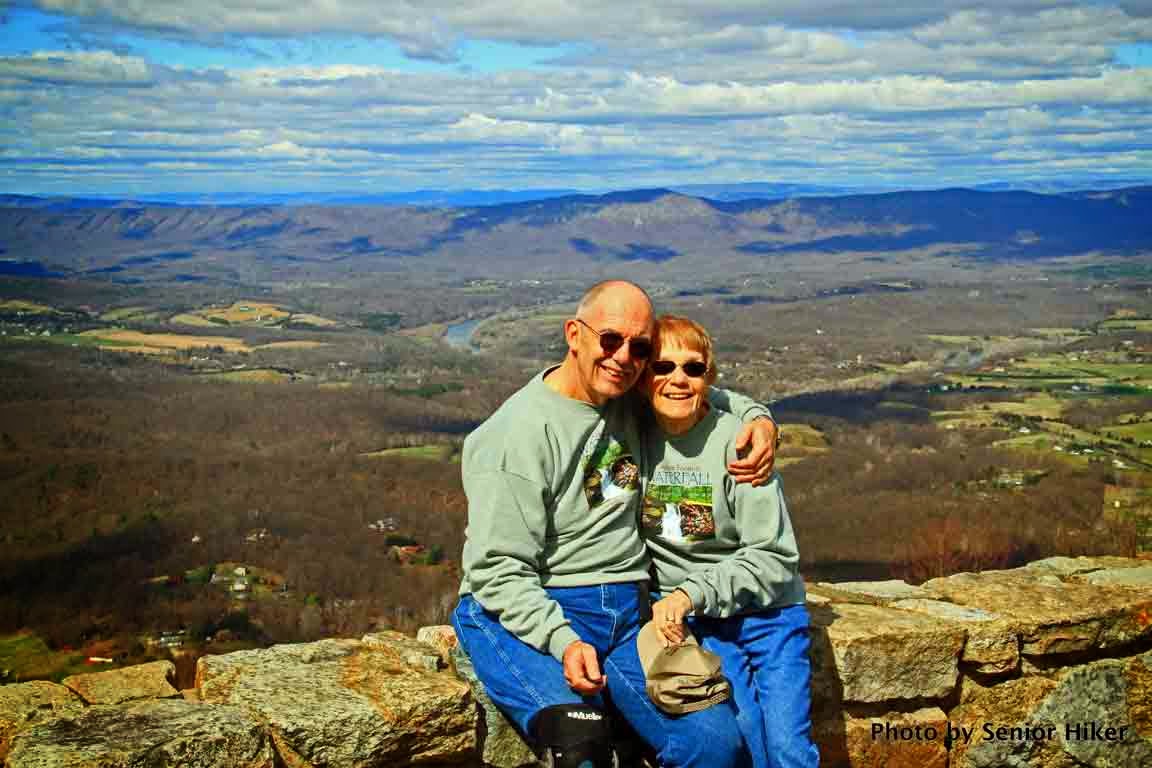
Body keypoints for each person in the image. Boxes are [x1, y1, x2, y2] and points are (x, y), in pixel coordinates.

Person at [452, 280, 780, 768]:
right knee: (580, 745)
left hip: (629, 616)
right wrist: (562, 640)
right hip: (533, 606)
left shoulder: (628, 398)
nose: (623, 358)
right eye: (609, 340)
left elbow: (705, 394)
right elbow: (497, 570)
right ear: (574, 335)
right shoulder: (514, 436)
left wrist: (762, 420)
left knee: (714, 745)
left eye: (640, 348)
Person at [641, 315, 818, 768]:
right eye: (662, 366)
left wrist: (689, 592)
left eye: (693, 368)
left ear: (708, 377)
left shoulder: (738, 445)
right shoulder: (633, 436)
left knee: (787, 748)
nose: (678, 379)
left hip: (769, 614)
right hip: (702, 622)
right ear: (642, 376)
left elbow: (774, 557)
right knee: (744, 736)